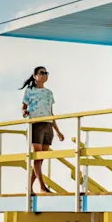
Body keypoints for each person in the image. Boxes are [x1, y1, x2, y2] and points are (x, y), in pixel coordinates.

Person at [20, 66, 64, 194]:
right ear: (35, 76)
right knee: (37, 157)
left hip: (48, 126)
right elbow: (23, 107)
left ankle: (30, 186)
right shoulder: (30, 90)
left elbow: (51, 112)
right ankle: (42, 187)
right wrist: (24, 112)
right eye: (42, 73)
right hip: (35, 124)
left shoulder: (49, 93)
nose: (44, 75)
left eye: (46, 73)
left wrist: (57, 131)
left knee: (41, 158)